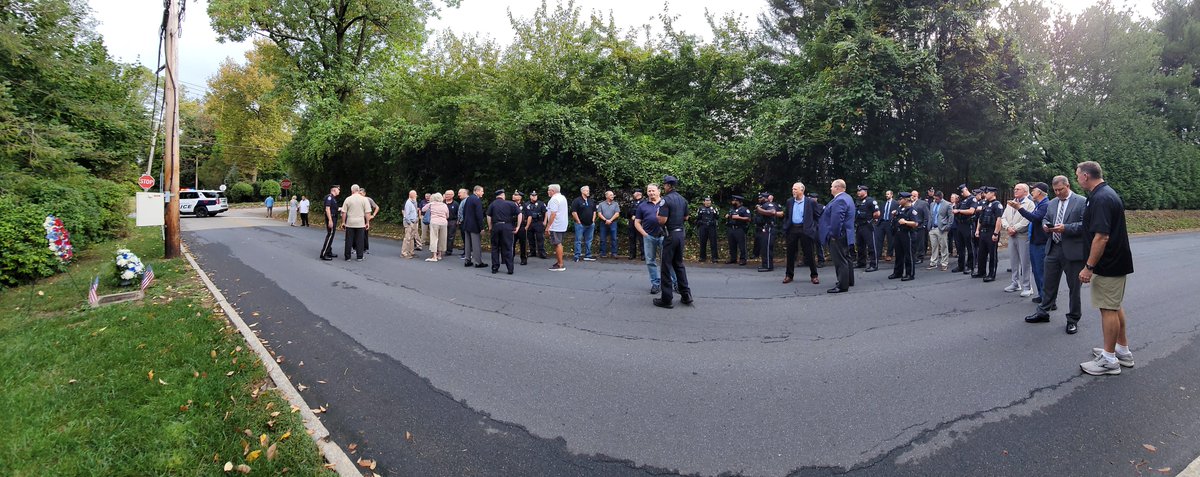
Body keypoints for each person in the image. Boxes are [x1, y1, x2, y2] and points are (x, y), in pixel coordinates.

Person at [1074, 161, 1135, 375]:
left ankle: (1109, 360)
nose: (1077, 179)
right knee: (1114, 305)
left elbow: (1101, 236)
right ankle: (1122, 351)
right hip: (1114, 261)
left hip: (1107, 263)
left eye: (1078, 175)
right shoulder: (1103, 194)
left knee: (1108, 308)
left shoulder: (1101, 198)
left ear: (1086, 176)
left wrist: (1089, 267)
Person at [1025, 176, 1086, 333]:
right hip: (1053, 247)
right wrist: (1046, 225)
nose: (1058, 193)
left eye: (1061, 190)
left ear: (1068, 186)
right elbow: (1045, 218)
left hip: (1072, 250)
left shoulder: (1081, 201)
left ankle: (1073, 319)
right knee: (1048, 283)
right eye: (1055, 190)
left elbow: (1085, 225)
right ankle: (1043, 312)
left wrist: (1065, 228)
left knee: (1074, 287)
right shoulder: (1052, 203)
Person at [653, 176, 691, 308]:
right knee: (679, 264)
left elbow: (662, 220)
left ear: (668, 186)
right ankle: (686, 295)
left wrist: (658, 215)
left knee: (666, 266)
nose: (664, 187)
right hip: (681, 234)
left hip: (670, 235)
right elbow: (686, 217)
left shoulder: (666, 200)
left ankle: (666, 299)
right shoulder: (682, 199)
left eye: (664, 185)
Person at [635, 183, 675, 294]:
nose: (651, 193)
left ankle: (674, 283)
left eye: (653, 190)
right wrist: (644, 234)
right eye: (649, 191)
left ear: (659, 191)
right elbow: (637, 222)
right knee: (650, 261)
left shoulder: (666, 203)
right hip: (649, 237)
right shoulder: (642, 205)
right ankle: (655, 284)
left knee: (668, 261)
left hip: (664, 236)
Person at [1014, 182, 1050, 302]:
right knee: (1036, 270)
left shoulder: (1045, 205)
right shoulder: (1039, 204)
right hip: (1035, 241)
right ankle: (1042, 295)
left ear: (1039, 192)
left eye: (1033, 190)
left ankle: (1048, 299)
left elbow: (1035, 218)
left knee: (1041, 271)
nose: (1032, 192)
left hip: (1040, 242)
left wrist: (1019, 208)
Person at [819, 179, 856, 293]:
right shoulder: (847, 197)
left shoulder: (839, 200)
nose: (830, 188)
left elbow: (836, 220)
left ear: (838, 188)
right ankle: (848, 280)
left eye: (832, 186)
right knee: (846, 258)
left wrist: (834, 235)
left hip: (838, 235)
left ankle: (842, 285)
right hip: (846, 233)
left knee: (840, 260)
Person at [782, 182, 819, 285]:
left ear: (802, 190)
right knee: (790, 253)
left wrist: (813, 228)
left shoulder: (810, 202)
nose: (793, 191)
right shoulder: (789, 201)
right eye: (793, 189)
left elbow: (817, 216)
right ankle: (789, 275)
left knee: (809, 253)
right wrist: (786, 226)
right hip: (792, 229)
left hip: (805, 229)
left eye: (795, 189)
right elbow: (787, 216)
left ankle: (814, 275)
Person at [1002, 183, 1035, 296]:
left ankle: (1027, 286)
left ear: (1025, 191)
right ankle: (1015, 283)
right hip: (1012, 235)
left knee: (1025, 262)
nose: (1015, 191)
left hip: (1022, 235)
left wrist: (1015, 228)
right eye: (1014, 189)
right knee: (1013, 260)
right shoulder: (1010, 203)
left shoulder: (1030, 204)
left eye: (1018, 189)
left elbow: (1028, 219)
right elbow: (1004, 217)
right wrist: (1007, 227)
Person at [486, 189, 521, 274]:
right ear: (503, 195)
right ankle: (510, 269)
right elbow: (519, 214)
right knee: (508, 247)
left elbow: (488, 216)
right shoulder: (510, 203)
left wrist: (490, 226)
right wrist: (518, 226)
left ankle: (495, 267)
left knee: (495, 247)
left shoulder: (492, 204)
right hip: (507, 227)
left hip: (496, 226)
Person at [974, 187, 1004, 282]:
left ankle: (991, 274)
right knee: (981, 253)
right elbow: (981, 218)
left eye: (987, 193)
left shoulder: (997, 205)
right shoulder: (985, 204)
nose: (985, 194)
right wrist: (977, 230)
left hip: (992, 231)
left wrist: (996, 233)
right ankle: (981, 271)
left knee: (992, 254)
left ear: (992, 194)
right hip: (983, 231)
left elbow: (999, 219)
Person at [888, 191, 919, 281]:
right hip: (898, 233)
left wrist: (905, 222)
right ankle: (898, 272)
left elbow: (915, 223)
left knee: (909, 254)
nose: (899, 200)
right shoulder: (900, 208)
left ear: (906, 200)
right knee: (898, 254)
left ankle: (910, 274)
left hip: (908, 234)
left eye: (900, 199)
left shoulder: (912, 210)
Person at [340, 185, 371, 261]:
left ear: (352, 190)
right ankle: (359, 256)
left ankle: (347, 257)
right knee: (360, 240)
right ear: (358, 190)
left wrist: (343, 222)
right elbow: (367, 212)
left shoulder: (348, 199)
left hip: (350, 222)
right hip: (360, 222)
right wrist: (367, 222)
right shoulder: (364, 199)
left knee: (349, 240)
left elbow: (344, 212)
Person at [950, 184, 976, 274]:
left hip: (968, 225)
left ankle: (970, 266)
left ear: (965, 190)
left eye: (962, 192)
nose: (961, 194)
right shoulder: (963, 200)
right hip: (960, 225)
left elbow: (971, 211)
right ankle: (961, 265)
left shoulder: (972, 199)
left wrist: (959, 211)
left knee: (969, 246)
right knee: (960, 247)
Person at [853, 185, 879, 272]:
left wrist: (871, 219)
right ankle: (861, 262)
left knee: (871, 245)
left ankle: (873, 264)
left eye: (860, 191)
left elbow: (877, 213)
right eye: (858, 191)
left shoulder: (870, 201)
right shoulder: (858, 201)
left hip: (867, 225)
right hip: (859, 226)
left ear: (865, 191)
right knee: (860, 245)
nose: (858, 192)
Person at [545, 184, 569, 271]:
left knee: (557, 243)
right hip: (562, 224)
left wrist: (548, 226)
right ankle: (559, 261)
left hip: (556, 225)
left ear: (553, 191)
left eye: (549, 190)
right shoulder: (562, 197)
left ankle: (560, 264)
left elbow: (553, 214)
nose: (548, 192)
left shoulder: (554, 199)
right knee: (558, 243)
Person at [753, 192, 781, 272]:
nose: (759, 199)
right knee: (764, 248)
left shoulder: (768, 204)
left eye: (761, 198)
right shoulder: (763, 206)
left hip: (769, 228)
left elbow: (772, 212)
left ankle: (768, 266)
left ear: (765, 198)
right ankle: (765, 265)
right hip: (763, 228)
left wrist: (759, 209)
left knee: (767, 248)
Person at [462, 186, 487, 268]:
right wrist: (481, 227)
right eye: (482, 191)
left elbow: (464, 211)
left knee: (468, 243)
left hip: (467, 224)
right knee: (476, 244)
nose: (483, 193)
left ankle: (467, 260)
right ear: (477, 191)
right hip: (474, 226)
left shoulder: (468, 199)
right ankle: (478, 262)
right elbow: (479, 215)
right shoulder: (477, 200)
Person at [571, 186, 597, 262]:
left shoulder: (591, 201)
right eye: (586, 190)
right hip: (580, 224)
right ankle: (577, 256)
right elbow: (574, 212)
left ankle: (588, 255)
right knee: (578, 240)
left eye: (588, 190)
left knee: (589, 240)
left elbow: (594, 211)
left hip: (590, 224)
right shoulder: (577, 200)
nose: (588, 192)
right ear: (582, 191)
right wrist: (578, 221)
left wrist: (593, 220)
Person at [928, 192, 953, 271]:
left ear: (941, 198)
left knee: (943, 246)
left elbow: (951, 216)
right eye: (934, 198)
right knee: (934, 246)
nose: (935, 200)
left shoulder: (947, 204)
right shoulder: (932, 204)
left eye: (937, 199)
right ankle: (933, 262)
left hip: (941, 228)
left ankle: (944, 263)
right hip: (932, 228)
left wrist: (948, 227)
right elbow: (931, 215)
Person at [423, 192, 449, 262]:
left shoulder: (431, 204)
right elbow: (447, 215)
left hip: (434, 222)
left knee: (434, 238)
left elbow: (423, 209)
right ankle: (439, 255)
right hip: (443, 222)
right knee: (442, 238)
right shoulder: (444, 205)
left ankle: (434, 256)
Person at [725, 195, 750, 265]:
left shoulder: (744, 209)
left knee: (742, 245)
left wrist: (739, 217)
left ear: (738, 202)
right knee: (732, 244)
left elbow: (748, 219)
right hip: (731, 228)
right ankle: (733, 258)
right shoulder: (731, 209)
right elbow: (729, 216)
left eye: (734, 200)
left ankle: (743, 259)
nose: (732, 202)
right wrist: (727, 216)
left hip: (739, 229)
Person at [318, 185, 341, 260]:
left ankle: (329, 252)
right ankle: (324, 254)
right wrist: (330, 220)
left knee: (331, 235)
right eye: (338, 190)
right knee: (330, 235)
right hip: (331, 218)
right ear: (334, 190)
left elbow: (334, 208)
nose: (339, 191)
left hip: (333, 217)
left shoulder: (333, 199)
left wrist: (342, 208)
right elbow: (327, 209)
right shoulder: (329, 197)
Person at [597, 190, 621, 258]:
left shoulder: (615, 204)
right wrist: (605, 220)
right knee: (602, 238)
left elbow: (617, 213)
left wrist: (610, 220)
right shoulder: (601, 204)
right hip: (603, 223)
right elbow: (599, 213)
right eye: (611, 195)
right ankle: (602, 253)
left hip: (613, 222)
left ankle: (614, 253)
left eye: (613, 195)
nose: (612, 196)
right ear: (606, 196)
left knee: (614, 238)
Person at [695, 196, 719, 263]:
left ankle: (714, 258)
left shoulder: (714, 208)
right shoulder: (700, 208)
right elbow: (698, 218)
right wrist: (700, 223)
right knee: (702, 242)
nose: (708, 202)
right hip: (703, 226)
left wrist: (715, 213)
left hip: (711, 227)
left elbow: (717, 217)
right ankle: (702, 257)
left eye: (709, 201)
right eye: (706, 201)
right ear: (704, 202)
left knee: (713, 242)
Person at [525, 190, 547, 259]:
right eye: (533, 195)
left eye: (535, 195)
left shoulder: (541, 203)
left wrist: (545, 221)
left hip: (538, 222)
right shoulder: (526, 204)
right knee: (530, 238)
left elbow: (546, 212)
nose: (534, 197)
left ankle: (542, 253)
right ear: (530, 196)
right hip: (530, 223)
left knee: (540, 238)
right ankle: (532, 252)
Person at [909, 190, 930, 263]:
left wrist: (924, 225)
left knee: (920, 242)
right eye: (912, 195)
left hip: (920, 225)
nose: (913, 196)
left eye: (914, 195)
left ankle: (920, 257)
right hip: (911, 226)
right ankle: (913, 256)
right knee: (913, 242)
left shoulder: (923, 203)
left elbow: (927, 215)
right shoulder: (909, 204)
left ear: (917, 196)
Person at [876, 190, 896, 262]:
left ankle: (889, 255)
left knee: (890, 239)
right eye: (886, 194)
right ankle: (878, 255)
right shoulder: (883, 203)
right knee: (879, 239)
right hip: (882, 222)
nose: (886, 195)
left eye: (888, 194)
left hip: (890, 222)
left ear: (891, 195)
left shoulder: (895, 203)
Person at [626, 190, 645, 260]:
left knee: (641, 239)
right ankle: (632, 254)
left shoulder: (644, 202)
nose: (633, 194)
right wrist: (631, 215)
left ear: (638, 193)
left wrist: (636, 216)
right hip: (632, 222)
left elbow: (643, 211)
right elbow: (628, 211)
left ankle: (643, 255)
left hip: (640, 222)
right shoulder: (632, 202)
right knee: (631, 238)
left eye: (634, 193)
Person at [809, 192, 826, 267]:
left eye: (811, 198)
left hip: (818, 227)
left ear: (815, 199)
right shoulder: (806, 206)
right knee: (808, 244)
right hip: (809, 227)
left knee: (819, 244)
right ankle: (808, 260)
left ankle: (821, 260)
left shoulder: (820, 206)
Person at [402, 190, 420, 259]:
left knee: (412, 238)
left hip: (413, 222)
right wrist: (410, 223)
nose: (416, 196)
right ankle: (404, 253)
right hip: (409, 223)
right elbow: (406, 215)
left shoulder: (413, 202)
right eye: (415, 194)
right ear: (411, 195)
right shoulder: (408, 203)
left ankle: (411, 252)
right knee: (407, 238)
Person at [511, 191, 529, 265]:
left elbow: (529, 216)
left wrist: (527, 226)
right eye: (513, 194)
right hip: (512, 226)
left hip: (522, 227)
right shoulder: (510, 204)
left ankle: (523, 259)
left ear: (520, 197)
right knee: (511, 243)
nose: (513, 196)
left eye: (516, 195)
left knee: (523, 244)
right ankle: (510, 258)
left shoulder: (524, 205)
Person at [361, 188, 379, 254]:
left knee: (365, 233)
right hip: (358, 217)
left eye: (361, 193)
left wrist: (373, 215)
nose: (360, 195)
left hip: (365, 218)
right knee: (357, 233)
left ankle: (365, 248)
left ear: (364, 193)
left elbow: (377, 207)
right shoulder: (357, 199)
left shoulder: (368, 199)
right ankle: (355, 248)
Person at [444, 190, 459, 256]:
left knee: (450, 236)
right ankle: (442, 249)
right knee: (443, 236)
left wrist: (457, 221)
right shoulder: (442, 203)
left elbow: (458, 213)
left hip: (452, 221)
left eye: (449, 194)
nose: (447, 196)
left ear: (452, 195)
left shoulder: (455, 204)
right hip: (443, 221)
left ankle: (449, 250)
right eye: (446, 194)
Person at [457, 189, 469, 257]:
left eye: (459, 193)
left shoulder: (467, 201)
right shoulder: (463, 201)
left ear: (465, 193)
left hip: (465, 222)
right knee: (464, 237)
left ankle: (467, 253)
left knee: (466, 238)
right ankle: (465, 251)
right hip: (462, 222)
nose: (458, 194)